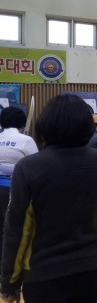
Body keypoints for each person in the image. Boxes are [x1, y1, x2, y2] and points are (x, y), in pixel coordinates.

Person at [0, 94, 97, 303]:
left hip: (43, 276)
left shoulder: (29, 167)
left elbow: (17, 230)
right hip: (89, 271)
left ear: (46, 125)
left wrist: (9, 280)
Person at [0, 106, 38, 262]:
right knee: (14, 228)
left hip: (9, 188)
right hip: (14, 191)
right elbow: (36, 167)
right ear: (22, 125)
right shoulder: (26, 140)